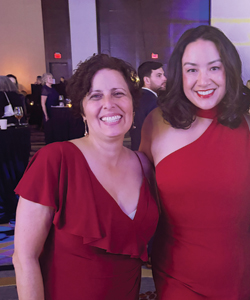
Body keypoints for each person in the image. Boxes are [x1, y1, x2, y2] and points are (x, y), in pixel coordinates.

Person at [140, 25, 250, 299]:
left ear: (230, 70)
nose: (203, 80)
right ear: (179, 74)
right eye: (192, 70)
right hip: (174, 272)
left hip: (235, 272)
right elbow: (137, 194)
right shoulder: (156, 124)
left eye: (214, 68)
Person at [12, 54, 159, 300]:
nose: (109, 104)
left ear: (133, 103)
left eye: (119, 93)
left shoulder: (144, 165)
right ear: (82, 110)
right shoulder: (56, 160)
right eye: (96, 96)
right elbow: (24, 258)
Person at [129, 61, 166, 150]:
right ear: (147, 80)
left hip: (136, 152)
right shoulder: (154, 102)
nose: (164, 78)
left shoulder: (135, 99)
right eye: (159, 75)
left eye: (163, 75)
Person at [41, 73, 59, 144]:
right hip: (49, 110)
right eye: (49, 78)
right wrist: (46, 114)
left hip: (55, 111)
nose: (51, 79)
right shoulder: (45, 89)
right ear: (45, 80)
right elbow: (43, 103)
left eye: (52, 78)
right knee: (49, 129)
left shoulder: (53, 88)